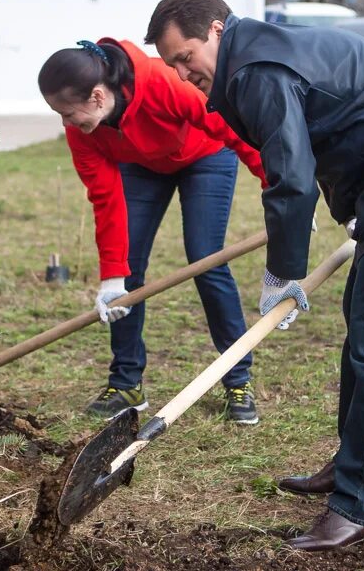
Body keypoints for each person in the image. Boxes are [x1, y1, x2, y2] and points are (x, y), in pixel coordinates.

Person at [145, 0, 364, 549]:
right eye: (173, 67)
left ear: (215, 29)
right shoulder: (253, 56)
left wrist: (282, 273)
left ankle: (358, 508)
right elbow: (335, 122)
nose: (184, 75)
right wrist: (359, 205)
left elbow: (292, 175)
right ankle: (352, 463)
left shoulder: (255, 68)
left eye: (185, 58)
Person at [38, 38, 268, 424]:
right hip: (142, 165)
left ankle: (238, 379)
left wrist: (279, 191)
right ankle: (127, 383)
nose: (66, 123)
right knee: (129, 272)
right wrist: (113, 276)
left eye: (68, 112)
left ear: (97, 96)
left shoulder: (162, 83)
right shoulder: (84, 130)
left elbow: (233, 131)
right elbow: (104, 196)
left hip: (205, 154)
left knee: (206, 258)